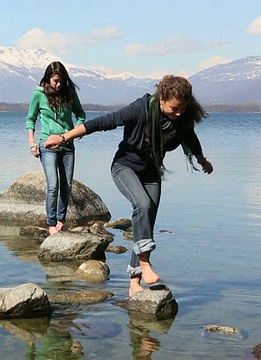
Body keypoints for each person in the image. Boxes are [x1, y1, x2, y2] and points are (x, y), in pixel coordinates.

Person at [45, 75, 213, 297]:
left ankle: (134, 283)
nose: (179, 113)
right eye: (175, 108)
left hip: (151, 172)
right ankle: (144, 263)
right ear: (161, 99)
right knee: (142, 204)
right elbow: (103, 122)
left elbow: (189, 136)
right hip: (124, 167)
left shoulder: (182, 117)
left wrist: (202, 160)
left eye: (183, 108)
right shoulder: (140, 109)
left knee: (146, 222)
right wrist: (64, 137)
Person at [26, 61, 86, 235]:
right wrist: (32, 143)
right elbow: (30, 119)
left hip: (67, 145)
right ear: (48, 79)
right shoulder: (39, 94)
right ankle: (51, 223)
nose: (58, 85)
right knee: (53, 184)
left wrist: (78, 129)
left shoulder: (69, 93)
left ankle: (61, 220)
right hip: (48, 145)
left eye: (61, 81)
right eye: (55, 81)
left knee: (66, 186)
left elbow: (80, 114)